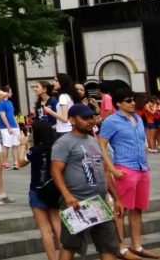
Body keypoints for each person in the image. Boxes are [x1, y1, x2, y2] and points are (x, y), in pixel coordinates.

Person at [50, 103, 124, 260]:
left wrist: (116, 198)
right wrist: (67, 195)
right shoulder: (64, 142)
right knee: (70, 246)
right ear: (72, 120)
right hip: (76, 201)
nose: (90, 121)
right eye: (85, 118)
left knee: (109, 245)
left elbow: (104, 171)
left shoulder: (94, 141)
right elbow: (55, 171)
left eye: (92, 117)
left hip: (99, 202)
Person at [99, 87, 158, 260]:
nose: (133, 103)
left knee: (138, 208)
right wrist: (111, 168)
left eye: (133, 100)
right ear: (118, 103)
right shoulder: (111, 121)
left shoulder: (138, 119)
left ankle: (137, 245)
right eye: (128, 100)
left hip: (142, 168)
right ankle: (121, 246)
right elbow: (101, 145)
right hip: (125, 168)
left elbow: (142, 142)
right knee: (121, 209)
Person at [13, 120, 61, 260]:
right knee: (57, 226)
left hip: (37, 190)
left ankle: (52, 258)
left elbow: (20, 162)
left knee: (45, 229)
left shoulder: (34, 150)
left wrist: (22, 144)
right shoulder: (56, 149)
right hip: (54, 189)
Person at [0, 86, 21, 169]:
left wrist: (17, 125)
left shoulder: (10, 103)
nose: (11, 93)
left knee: (15, 145)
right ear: (6, 92)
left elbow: (12, 115)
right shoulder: (0, 102)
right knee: (6, 145)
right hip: (5, 128)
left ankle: (15, 162)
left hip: (14, 127)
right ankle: (4, 163)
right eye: (10, 92)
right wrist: (8, 127)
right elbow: (3, 116)